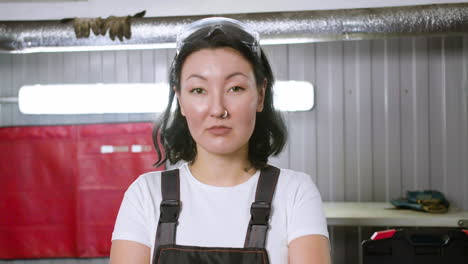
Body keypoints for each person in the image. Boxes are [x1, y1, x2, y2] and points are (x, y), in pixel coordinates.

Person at [109, 17, 331, 264]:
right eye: (198, 90)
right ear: (181, 100)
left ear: (260, 95)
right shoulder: (145, 195)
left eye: (235, 88)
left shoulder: (295, 193)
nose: (217, 109)